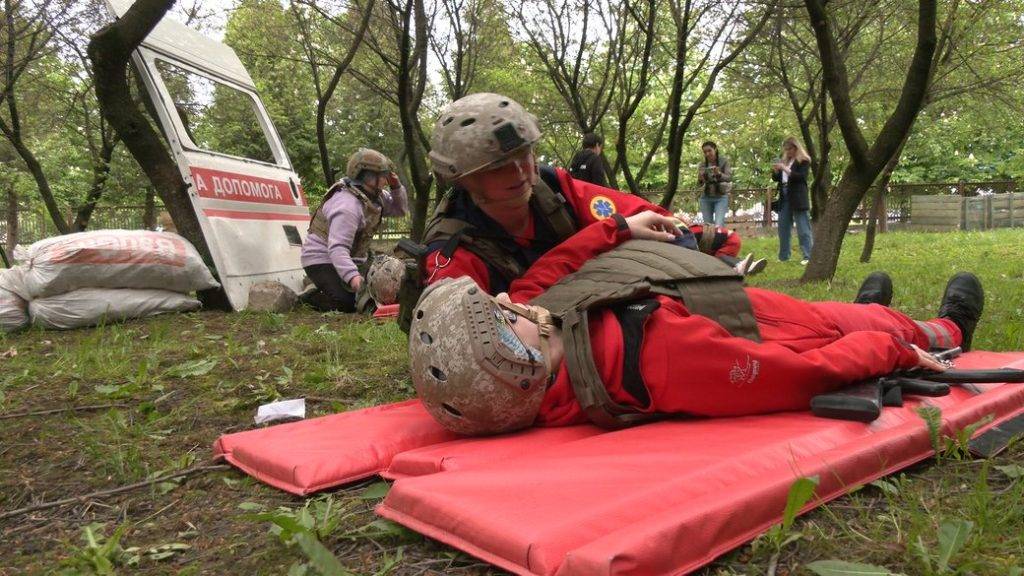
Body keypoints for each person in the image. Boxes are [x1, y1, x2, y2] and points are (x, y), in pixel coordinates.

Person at [408, 210, 984, 435]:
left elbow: (553, 268)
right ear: (518, 360)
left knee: (860, 317)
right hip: (779, 330)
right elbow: (791, 374)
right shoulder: (649, 359)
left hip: (726, 301)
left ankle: (873, 315)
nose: (504, 297)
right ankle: (948, 330)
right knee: (874, 326)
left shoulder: (543, 321)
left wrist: (620, 227)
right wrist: (888, 352)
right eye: (496, 313)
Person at [419, 92, 694, 298]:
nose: (520, 172)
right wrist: (607, 233)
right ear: (462, 178)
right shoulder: (451, 255)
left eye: (524, 154)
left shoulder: (551, 187)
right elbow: (493, 339)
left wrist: (697, 235)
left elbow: (639, 214)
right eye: (498, 167)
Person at [300, 148, 408, 312]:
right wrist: (355, 280)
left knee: (382, 289)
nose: (387, 178)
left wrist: (396, 187)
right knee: (347, 303)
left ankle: (338, 284)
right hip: (322, 259)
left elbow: (399, 210)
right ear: (369, 177)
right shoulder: (347, 205)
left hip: (352, 258)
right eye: (384, 174)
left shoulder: (376, 196)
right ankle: (311, 295)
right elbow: (337, 249)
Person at [771, 136, 814, 264]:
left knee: (803, 228)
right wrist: (776, 171)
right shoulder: (785, 161)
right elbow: (777, 179)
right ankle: (783, 256)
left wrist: (785, 168)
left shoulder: (804, 160)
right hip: (784, 195)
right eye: (786, 149)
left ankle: (808, 256)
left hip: (798, 196)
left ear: (796, 148)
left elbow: (800, 177)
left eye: (789, 149)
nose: (787, 152)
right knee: (783, 227)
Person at [686, 222, 767, 276]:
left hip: (730, 241)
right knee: (722, 259)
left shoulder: (687, 235)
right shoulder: (691, 230)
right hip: (731, 238)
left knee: (719, 258)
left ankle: (740, 266)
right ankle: (750, 265)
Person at [696, 141, 733, 227]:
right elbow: (699, 184)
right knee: (708, 226)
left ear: (715, 149)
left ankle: (720, 235)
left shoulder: (724, 161)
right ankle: (711, 236)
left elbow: (729, 178)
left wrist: (719, 174)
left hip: (721, 197)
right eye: (705, 152)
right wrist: (700, 179)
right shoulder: (702, 164)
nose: (707, 154)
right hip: (705, 197)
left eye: (709, 151)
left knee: (718, 225)